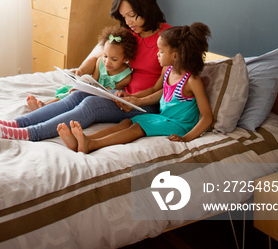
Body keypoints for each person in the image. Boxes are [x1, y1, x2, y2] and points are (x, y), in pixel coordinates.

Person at [0, 0, 170, 141]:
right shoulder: (131, 34)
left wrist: (137, 99)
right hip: (123, 95)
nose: (128, 22)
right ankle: (15, 123)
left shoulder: (168, 38)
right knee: (77, 96)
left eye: (132, 15)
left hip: (146, 104)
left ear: (146, 9)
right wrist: (81, 78)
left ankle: (28, 133)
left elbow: (171, 84)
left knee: (91, 106)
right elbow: (100, 57)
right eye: (124, 16)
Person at [58, 23, 213, 153]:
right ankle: (84, 139)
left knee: (137, 128)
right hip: (163, 118)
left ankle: (92, 145)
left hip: (180, 125)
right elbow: (157, 92)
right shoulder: (168, 71)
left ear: (176, 55)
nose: (157, 55)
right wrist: (136, 100)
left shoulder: (192, 80)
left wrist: (186, 138)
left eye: (161, 51)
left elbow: (207, 117)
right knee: (126, 122)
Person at [24, 25, 137, 110]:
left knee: (77, 99)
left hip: (102, 97)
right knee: (70, 93)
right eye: (105, 56)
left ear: (125, 59)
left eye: (114, 59)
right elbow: (94, 80)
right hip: (93, 90)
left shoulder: (125, 76)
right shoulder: (100, 62)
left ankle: (48, 108)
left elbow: (109, 93)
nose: (107, 61)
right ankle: (45, 106)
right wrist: (82, 83)